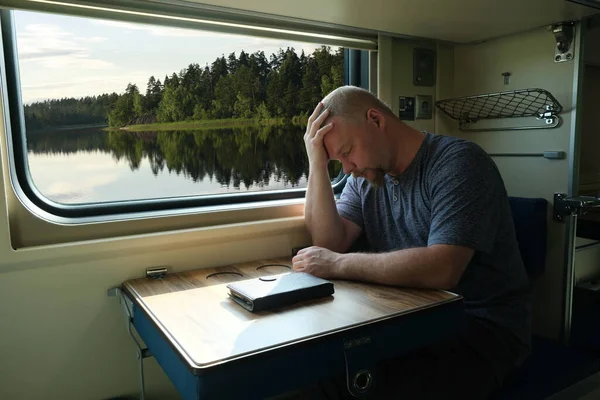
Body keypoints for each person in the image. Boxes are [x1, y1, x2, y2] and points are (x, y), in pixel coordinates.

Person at [290, 85, 531, 399]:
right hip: (412, 320)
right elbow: (329, 241)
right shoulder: (363, 178)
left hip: (481, 327)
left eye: (347, 152)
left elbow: (442, 268)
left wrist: (338, 264)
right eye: (339, 162)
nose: (347, 168)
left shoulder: (458, 163)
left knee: (364, 385)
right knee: (323, 373)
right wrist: (317, 164)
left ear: (375, 120)